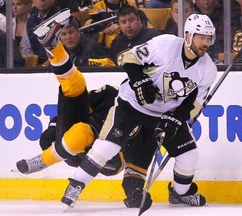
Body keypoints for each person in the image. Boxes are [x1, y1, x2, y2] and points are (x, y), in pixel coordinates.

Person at [60, 13, 217, 212]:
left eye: (208, 38)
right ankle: (76, 184)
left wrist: (175, 119)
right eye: (201, 37)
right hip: (132, 103)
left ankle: (180, 194)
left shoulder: (208, 69)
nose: (206, 43)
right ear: (188, 36)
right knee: (107, 146)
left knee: (189, 155)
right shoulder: (165, 45)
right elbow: (126, 58)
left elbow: (194, 103)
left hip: (163, 114)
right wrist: (140, 82)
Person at [16, 9, 158, 208]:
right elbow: (75, 108)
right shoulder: (111, 93)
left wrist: (135, 194)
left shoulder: (151, 123)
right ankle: (53, 47)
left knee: (85, 135)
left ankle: (46, 161)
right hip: (74, 145)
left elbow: (136, 170)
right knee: (75, 89)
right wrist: (54, 128)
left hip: (111, 161)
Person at [22, 0, 60, 67]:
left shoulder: (62, 17)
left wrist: (48, 63)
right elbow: (28, 48)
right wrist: (32, 63)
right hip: (37, 66)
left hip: (58, 64)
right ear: (33, 1)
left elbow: (66, 47)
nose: (42, 0)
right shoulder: (30, 21)